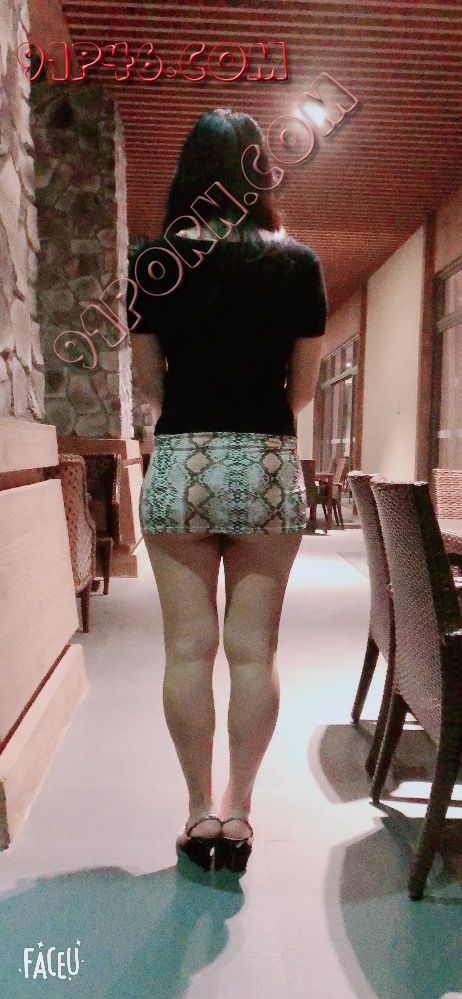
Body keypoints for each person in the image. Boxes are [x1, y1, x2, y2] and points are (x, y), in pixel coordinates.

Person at [128, 108, 327, 873]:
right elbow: (301, 390)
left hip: (182, 464)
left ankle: (196, 812)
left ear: (188, 174)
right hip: (268, 467)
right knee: (253, 652)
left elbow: (150, 384)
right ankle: (239, 810)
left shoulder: (153, 263)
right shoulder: (299, 264)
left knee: (186, 649)